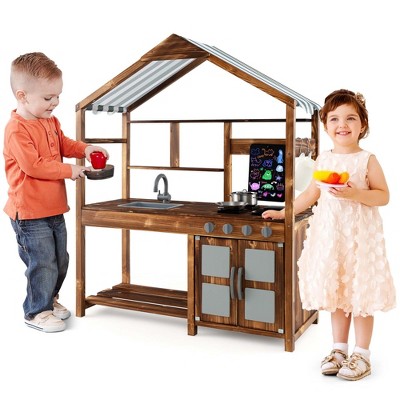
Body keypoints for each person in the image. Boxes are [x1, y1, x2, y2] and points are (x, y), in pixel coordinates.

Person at [262, 89, 396, 381]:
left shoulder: (367, 160)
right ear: (325, 126)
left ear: (362, 124)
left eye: (350, 118)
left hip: (360, 238)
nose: (342, 124)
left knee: (360, 292)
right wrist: (284, 213)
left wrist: (356, 193)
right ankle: (338, 350)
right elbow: (310, 194)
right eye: (334, 119)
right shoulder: (323, 160)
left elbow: (383, 196)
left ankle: (362, 354)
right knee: (337, 292)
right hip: (332, 239)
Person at [3, 52, 109, 333]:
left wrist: (85, 149)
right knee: (42, 263)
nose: (55, 103)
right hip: (29, 213)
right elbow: (33, 165)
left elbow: (64, 144)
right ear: (23, 96)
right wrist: (69, 170)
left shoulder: (50, 121)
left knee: (60, 261)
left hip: (54, 208)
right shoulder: (16, 130)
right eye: (48, 97)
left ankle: (48, 299)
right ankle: (36, 311)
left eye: (58, 96)